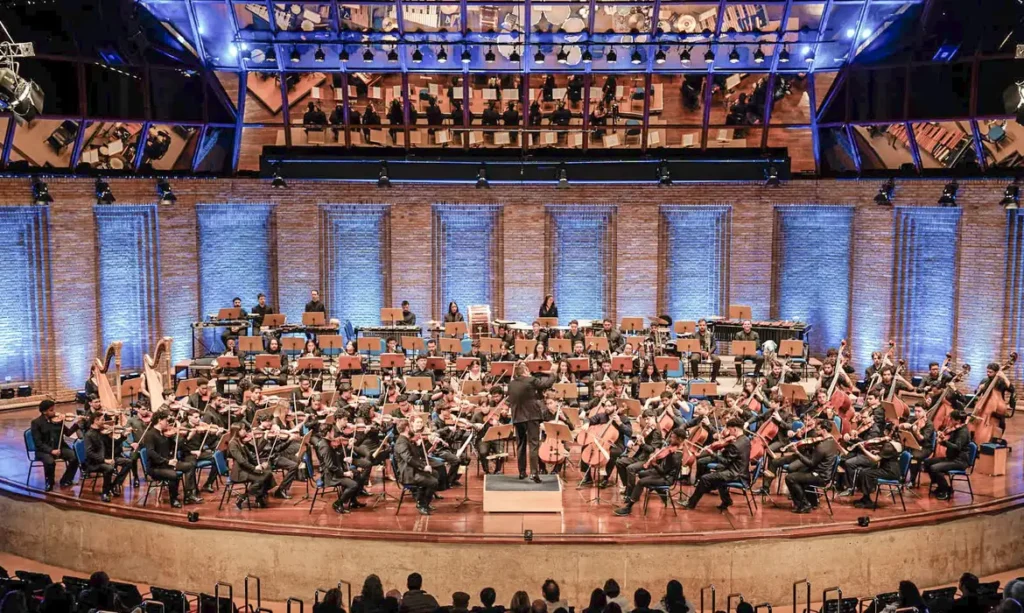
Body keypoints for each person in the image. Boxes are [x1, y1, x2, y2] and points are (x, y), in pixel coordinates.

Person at [684, 419, 750, 511]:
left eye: (730, 430)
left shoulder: (735, 445)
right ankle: (726, 501)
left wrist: (713, 454)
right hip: (743, 472)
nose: (729, 432)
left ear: (735, 429)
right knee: (716, 475)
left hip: (735, 474)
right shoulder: (746, 439)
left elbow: (725, 461)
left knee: (704, 478)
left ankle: (691, 504)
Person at [614, 428, 684, 516]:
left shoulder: (675, 455)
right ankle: (659, 493)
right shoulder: (672, 449)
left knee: (641, 482)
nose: (670, 439)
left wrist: (654, 464)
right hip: (662, 473)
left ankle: (629, 507)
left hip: (666, 478)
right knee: (641, 474)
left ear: (679, 439)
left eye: (673, 438)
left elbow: (663, 472)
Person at [507, 360, 557, 482]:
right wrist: (553, 373)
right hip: (531, 417)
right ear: (525, 371)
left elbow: (528, 396)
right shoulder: (530, 380)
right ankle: (534, 473)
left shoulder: (511, 384)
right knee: (533, 444)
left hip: (518, 417)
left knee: (521, 444)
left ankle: (522, 472)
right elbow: (546, 384)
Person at [785, 420, 840, 513]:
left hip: (820, 476)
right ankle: (812, 501)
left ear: (824, 430)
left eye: (818, 430)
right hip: (826, 474)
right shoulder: (833, 442)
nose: (815, 432)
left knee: (790, 478)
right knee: (800, 471)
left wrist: (797, 453)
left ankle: (804, 505)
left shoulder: (822, 447)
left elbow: (811, 463)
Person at [30, 399, 81, 491]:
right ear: (44, 412)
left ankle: (66, 480)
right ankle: (49, 482)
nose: (54, 412)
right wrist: (51, 451)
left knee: (75, 457)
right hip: (44, 451)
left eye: (54, 409)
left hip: (60, 447)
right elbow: (38, 443)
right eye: (51, 410)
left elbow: (68, 433)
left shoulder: (58, 421)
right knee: (50, 462)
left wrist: (76, 424)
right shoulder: (36, 423)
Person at [83, 411, 133, 502]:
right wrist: (104, 460)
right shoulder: (89, 435)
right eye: (102, 420)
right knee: (109, 468)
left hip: (109, 458)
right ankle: (105, 492)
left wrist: (123, 436)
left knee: (129, 462)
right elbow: (89, 453)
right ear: (95, 421)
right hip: (95, 462)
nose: (104, 422)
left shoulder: (103, 432)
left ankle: (115, 484)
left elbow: (113, 444)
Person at [395, 418, 439, 515]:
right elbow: (408, 458)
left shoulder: (407, 440)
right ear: (407, 428)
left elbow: (419, 454)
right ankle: (421, 504)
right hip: (408, 473)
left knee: (435, 474)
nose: (412, 429)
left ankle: (425, 502)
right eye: (410, 426)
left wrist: (428, 444)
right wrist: (423, 467)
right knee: (433, 482)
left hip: (413, 470)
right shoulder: (401, 442)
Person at [227, 422, 276, 508]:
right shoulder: (233, 444)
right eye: (243, 429)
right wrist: (254, 468)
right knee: (261, 478)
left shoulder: (242, 442)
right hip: (239, 472)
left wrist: (260, 465)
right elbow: (241, 461)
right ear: (237, 431)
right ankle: (245, 497)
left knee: (268, 474)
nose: (245, 431)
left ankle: (259, 497)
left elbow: (251, 458)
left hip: (246, 469)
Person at [925, 410, 971, 500]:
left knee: (934, 468)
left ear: (958, 421)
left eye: (951, 419)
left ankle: (945, 490)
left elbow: (957, 447)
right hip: (951, 458)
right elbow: (951, 443)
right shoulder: (957, 429)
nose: (949, 420)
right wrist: (943, 439)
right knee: (927, 462)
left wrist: (944, 442)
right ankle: (941, 485)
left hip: (959, 461)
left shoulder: (963, 432)